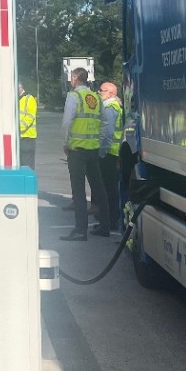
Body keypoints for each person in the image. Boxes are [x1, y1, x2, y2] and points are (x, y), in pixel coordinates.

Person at [60, 67, 108, 241]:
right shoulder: (95, 96)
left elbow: (67, 122)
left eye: (71, 77)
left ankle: (80, 230)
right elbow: (104, 122)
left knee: (78, 191)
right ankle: (105, 225)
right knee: (99, 187)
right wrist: (99, 142)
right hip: (93, 150)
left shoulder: (74, 96)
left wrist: (66, 143)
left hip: (77, 150)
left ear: (75, 78)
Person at [93, 80, 124, 236]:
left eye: (102, 90)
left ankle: (108, 222)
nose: (99, 92)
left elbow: (108, 133)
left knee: (107, 191)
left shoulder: (110, 108)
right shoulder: (110, 107)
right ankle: (108, 221)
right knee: (109, 190)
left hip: (109, 154)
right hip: (112, 154)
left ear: (111, 93)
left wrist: (101, 152)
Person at [17, 81, 38, 169]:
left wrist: (16, 129)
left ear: (20, 87)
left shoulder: (29, 99)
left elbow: (29, 118)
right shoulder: (10, 99)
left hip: (27, 138)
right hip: (16, 139)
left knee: (27, 168)